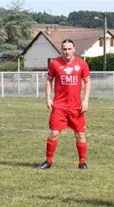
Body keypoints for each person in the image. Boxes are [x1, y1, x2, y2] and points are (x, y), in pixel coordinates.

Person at [37, 39, 91, 171]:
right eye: (64, 49)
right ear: (61, 50)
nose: (67, 51)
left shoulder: (82, 64)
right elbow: (49, 81)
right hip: (59, 106)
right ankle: (48, 161)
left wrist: (85, 100)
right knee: (54, 133)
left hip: (76, 107)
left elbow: (87, 82)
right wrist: (48, 98)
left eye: (69, 49)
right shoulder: (55, 64)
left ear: (74, 49)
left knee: (80, 135)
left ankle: (82, 162)